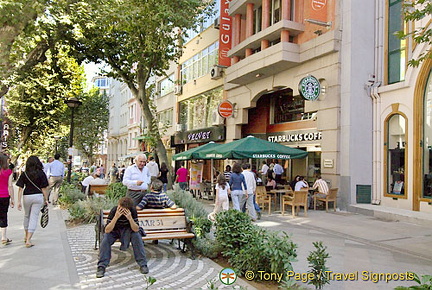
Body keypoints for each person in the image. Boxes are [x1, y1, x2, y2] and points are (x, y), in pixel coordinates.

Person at [96, 197, 149, 278]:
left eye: (124, 209)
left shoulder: (133, 210)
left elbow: (136, 229)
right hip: (115, 231)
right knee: (105, 239)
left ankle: (143, 264)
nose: (121, 210)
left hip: (128, 230)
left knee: (137, 236)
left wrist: (130, 218)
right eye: (120, 208)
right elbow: (107, 230)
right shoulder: (114, 210)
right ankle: (101, 266)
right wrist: (116, 217)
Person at [16, 156, 49, 248]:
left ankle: (26, 235)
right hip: (38, 196)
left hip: (27, 196)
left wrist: (19, 201)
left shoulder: (24, 174)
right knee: (34, 217)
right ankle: (28, 239)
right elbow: (44, 188)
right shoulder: (41, 174)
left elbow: (20, 188)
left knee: (27, 215)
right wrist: (46, 199)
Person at [0, 154, 14, 245]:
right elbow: (10, 186)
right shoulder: (9, 172)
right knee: (3, 215)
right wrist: (13, 199)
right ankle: (4, 237)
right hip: (4, 196)